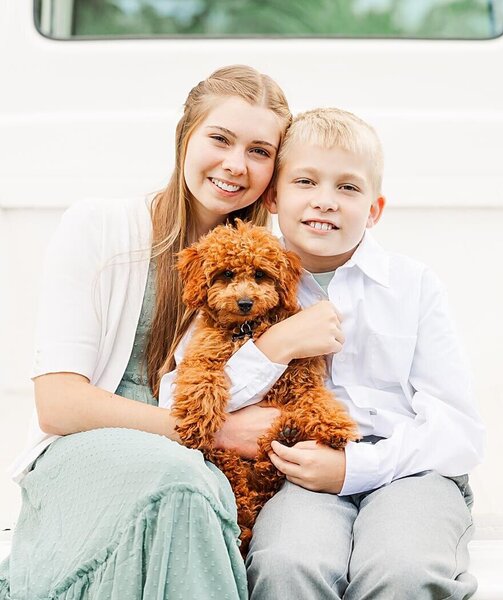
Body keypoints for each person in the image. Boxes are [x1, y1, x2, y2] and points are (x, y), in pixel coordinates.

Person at [161, 108, 486, 598]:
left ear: (374, 209)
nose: (325, 202)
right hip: (296, 475)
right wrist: (276, 346)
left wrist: (354, 469)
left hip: (410, 469)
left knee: (402, 570)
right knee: (286, 565)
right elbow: (178, 397)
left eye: (348, 188)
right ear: (273, 197)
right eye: (306, 181)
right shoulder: (241, 278)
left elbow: (457, 429)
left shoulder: (412, 286)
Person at [0, 65, 292, 600]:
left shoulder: (265, 270)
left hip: (196, 463)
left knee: (195, 483)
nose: (234, 164)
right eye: (220, 139)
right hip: (86, 449)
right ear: (185, 136)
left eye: (259, 150)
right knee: (180, 484)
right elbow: (59, 404)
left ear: (274, 170)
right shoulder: (99, 227)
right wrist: (215, 432)